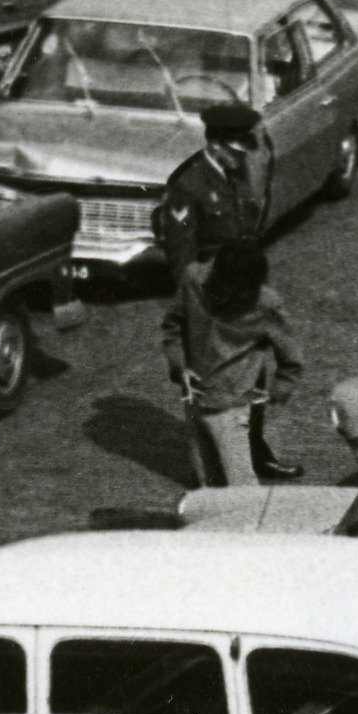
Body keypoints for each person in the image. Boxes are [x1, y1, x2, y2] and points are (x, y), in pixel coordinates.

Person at [154, 99, 301, 484]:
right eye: (238, 149)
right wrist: (199, 303)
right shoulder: (189, 184)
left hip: (241, 284)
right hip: (211, 294)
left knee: (250, 373)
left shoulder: (228, 174)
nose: (243, 157)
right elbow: (182, 257)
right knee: (216, 378)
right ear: (218, 144)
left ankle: (252, 449)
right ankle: (221, 464)